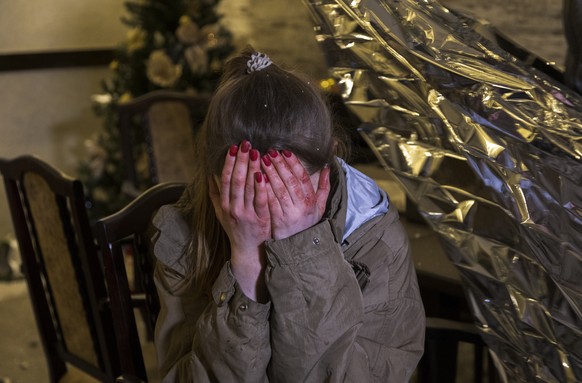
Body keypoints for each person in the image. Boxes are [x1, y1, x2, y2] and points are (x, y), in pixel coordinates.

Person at [151, 47, 425, 382]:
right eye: (248, 196)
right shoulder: (183, 235)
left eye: (290, 193)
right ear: (216, 180)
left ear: (330, 162)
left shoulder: (373, 236)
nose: (266, 218)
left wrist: (305, 255)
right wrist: (247, 269)